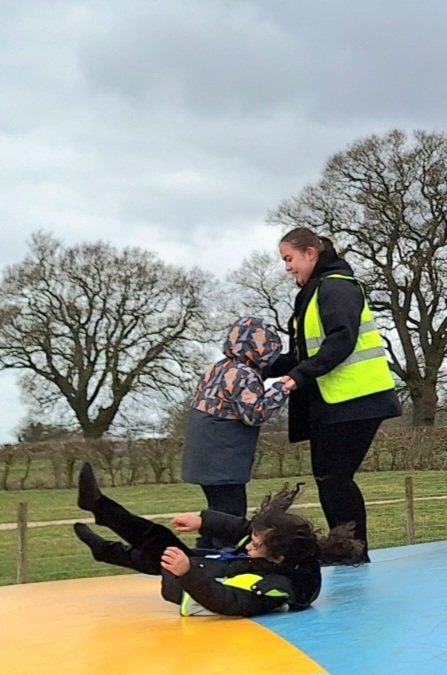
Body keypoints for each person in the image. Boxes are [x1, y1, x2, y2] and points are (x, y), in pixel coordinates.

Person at [265, 227, 402, 561]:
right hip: (335, 401)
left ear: (311, 253)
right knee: (329, 478)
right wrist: (256, 367)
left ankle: (352, 552)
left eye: (289, 258)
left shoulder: (337, 286)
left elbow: (341, 339)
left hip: (356, 399)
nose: (287, 267)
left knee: (335, 478)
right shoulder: (314, 291)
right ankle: (346, 550)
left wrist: (297, 378)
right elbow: (303, 354)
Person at [73, 463, 363, 617]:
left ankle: (98, 507)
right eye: (252, 540)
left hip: (195, 590)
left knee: (158, 543)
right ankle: (103, 545)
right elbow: (245, 528)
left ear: (276, 558)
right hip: (212, 568)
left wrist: (186, 573)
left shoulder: (277, 587)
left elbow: (230, 601)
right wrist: (204, 520)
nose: (249, 544)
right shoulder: (283, 547)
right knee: (158, 550)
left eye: (255, 545)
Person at [180, 317, 288, 548]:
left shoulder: (218, 368)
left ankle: (204, 554)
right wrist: (283, 388)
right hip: (223, 456)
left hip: (203, 453)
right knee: (231, 515)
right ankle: (224, 560)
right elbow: (254, 414)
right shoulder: (244, 374)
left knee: (216, 509)